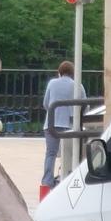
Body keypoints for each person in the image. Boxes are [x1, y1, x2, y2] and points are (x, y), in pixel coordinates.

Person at [42, 59, 84, 191]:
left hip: (51, 123)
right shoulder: (77, 85)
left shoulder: (52, 83)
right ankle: (67, 179)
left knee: (51, 153)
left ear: (59, 72)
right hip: (69, 124)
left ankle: (47, 182)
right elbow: (85, 105)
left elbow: (46, 103)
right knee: (70, 154)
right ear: (72, 73)